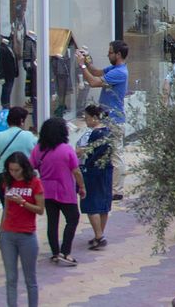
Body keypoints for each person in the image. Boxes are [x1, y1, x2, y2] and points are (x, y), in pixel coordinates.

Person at [30, 117, 84, 266]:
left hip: (46, 190)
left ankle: (55, 253)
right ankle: (65, 252)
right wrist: (82, 187)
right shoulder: (67, 149)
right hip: (65, 190)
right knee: (72, 218)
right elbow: (76, 171)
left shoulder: (38, 149)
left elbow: (31, 166)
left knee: (52, 223)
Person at [0, 152, 45, 307]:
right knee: (11, 278)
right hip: (8, 234)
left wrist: (23, 202)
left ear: (24, 168)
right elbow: (7, 208)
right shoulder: (8, 183)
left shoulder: (34, 183)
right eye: (11, 170)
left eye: (17, 170)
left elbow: (40, 209)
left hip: (27, 235)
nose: (14, 173)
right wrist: (1, 232)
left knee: (30, 279)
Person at [76, 104, 114, 251]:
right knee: (103, 204)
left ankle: (99, 236)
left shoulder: (93, 134)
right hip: (106, 170)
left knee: (91, 204)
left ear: (94, 118)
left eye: (87, 118)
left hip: (92, 171)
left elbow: (85, 152)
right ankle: (100, 234)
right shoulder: (109, 132)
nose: (85, 120)